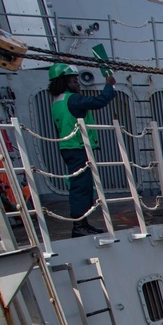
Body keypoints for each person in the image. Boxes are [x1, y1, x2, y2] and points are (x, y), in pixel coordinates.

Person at [48, 63, 116, 237]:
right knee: (81, 187)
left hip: (70, 147)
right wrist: (110, 85)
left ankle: (83, 223)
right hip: (78, 148)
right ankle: (79, 225)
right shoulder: (73, 99)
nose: (78, 83)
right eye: (73, 80)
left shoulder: (58, 100)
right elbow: (99, 101)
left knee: (82, 186)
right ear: (64, 81)